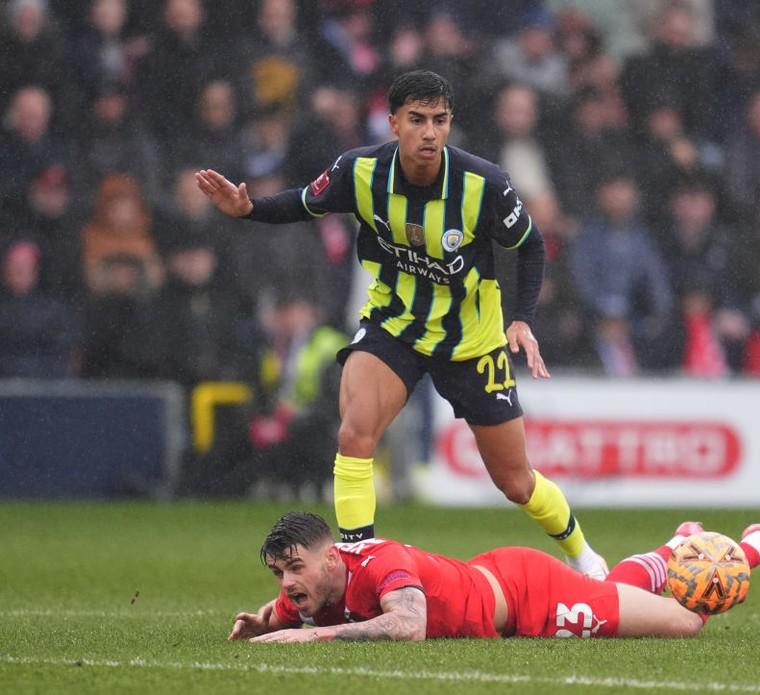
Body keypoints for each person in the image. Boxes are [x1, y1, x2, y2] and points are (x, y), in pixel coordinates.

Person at [196, 70, 607, 579]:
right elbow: (305, 202)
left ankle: (582, 553)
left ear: (450, 124)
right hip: (395, 325)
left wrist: (521, 319)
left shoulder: (485, 184)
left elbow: (531, 244)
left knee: (516, 482)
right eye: (417, 120)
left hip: (472, 341)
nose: (429, 132)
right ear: (394, 124)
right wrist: (249, 208)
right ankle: (358, 571)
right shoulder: (361, 170)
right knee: (354, 434)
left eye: (439, 120)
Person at [228, 511, 760, 643]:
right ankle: (677, 546)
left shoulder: (383, 562)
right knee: (609, 594)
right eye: (280, 573)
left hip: (530, 595)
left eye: (295, 568)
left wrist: (314, 638)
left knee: (688, 622)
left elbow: (409, 626)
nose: (287, 583)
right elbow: (292, 611)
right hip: (497, 582)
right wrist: (266, 619)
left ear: (333, 556)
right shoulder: (309, 590)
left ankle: (759, 544)